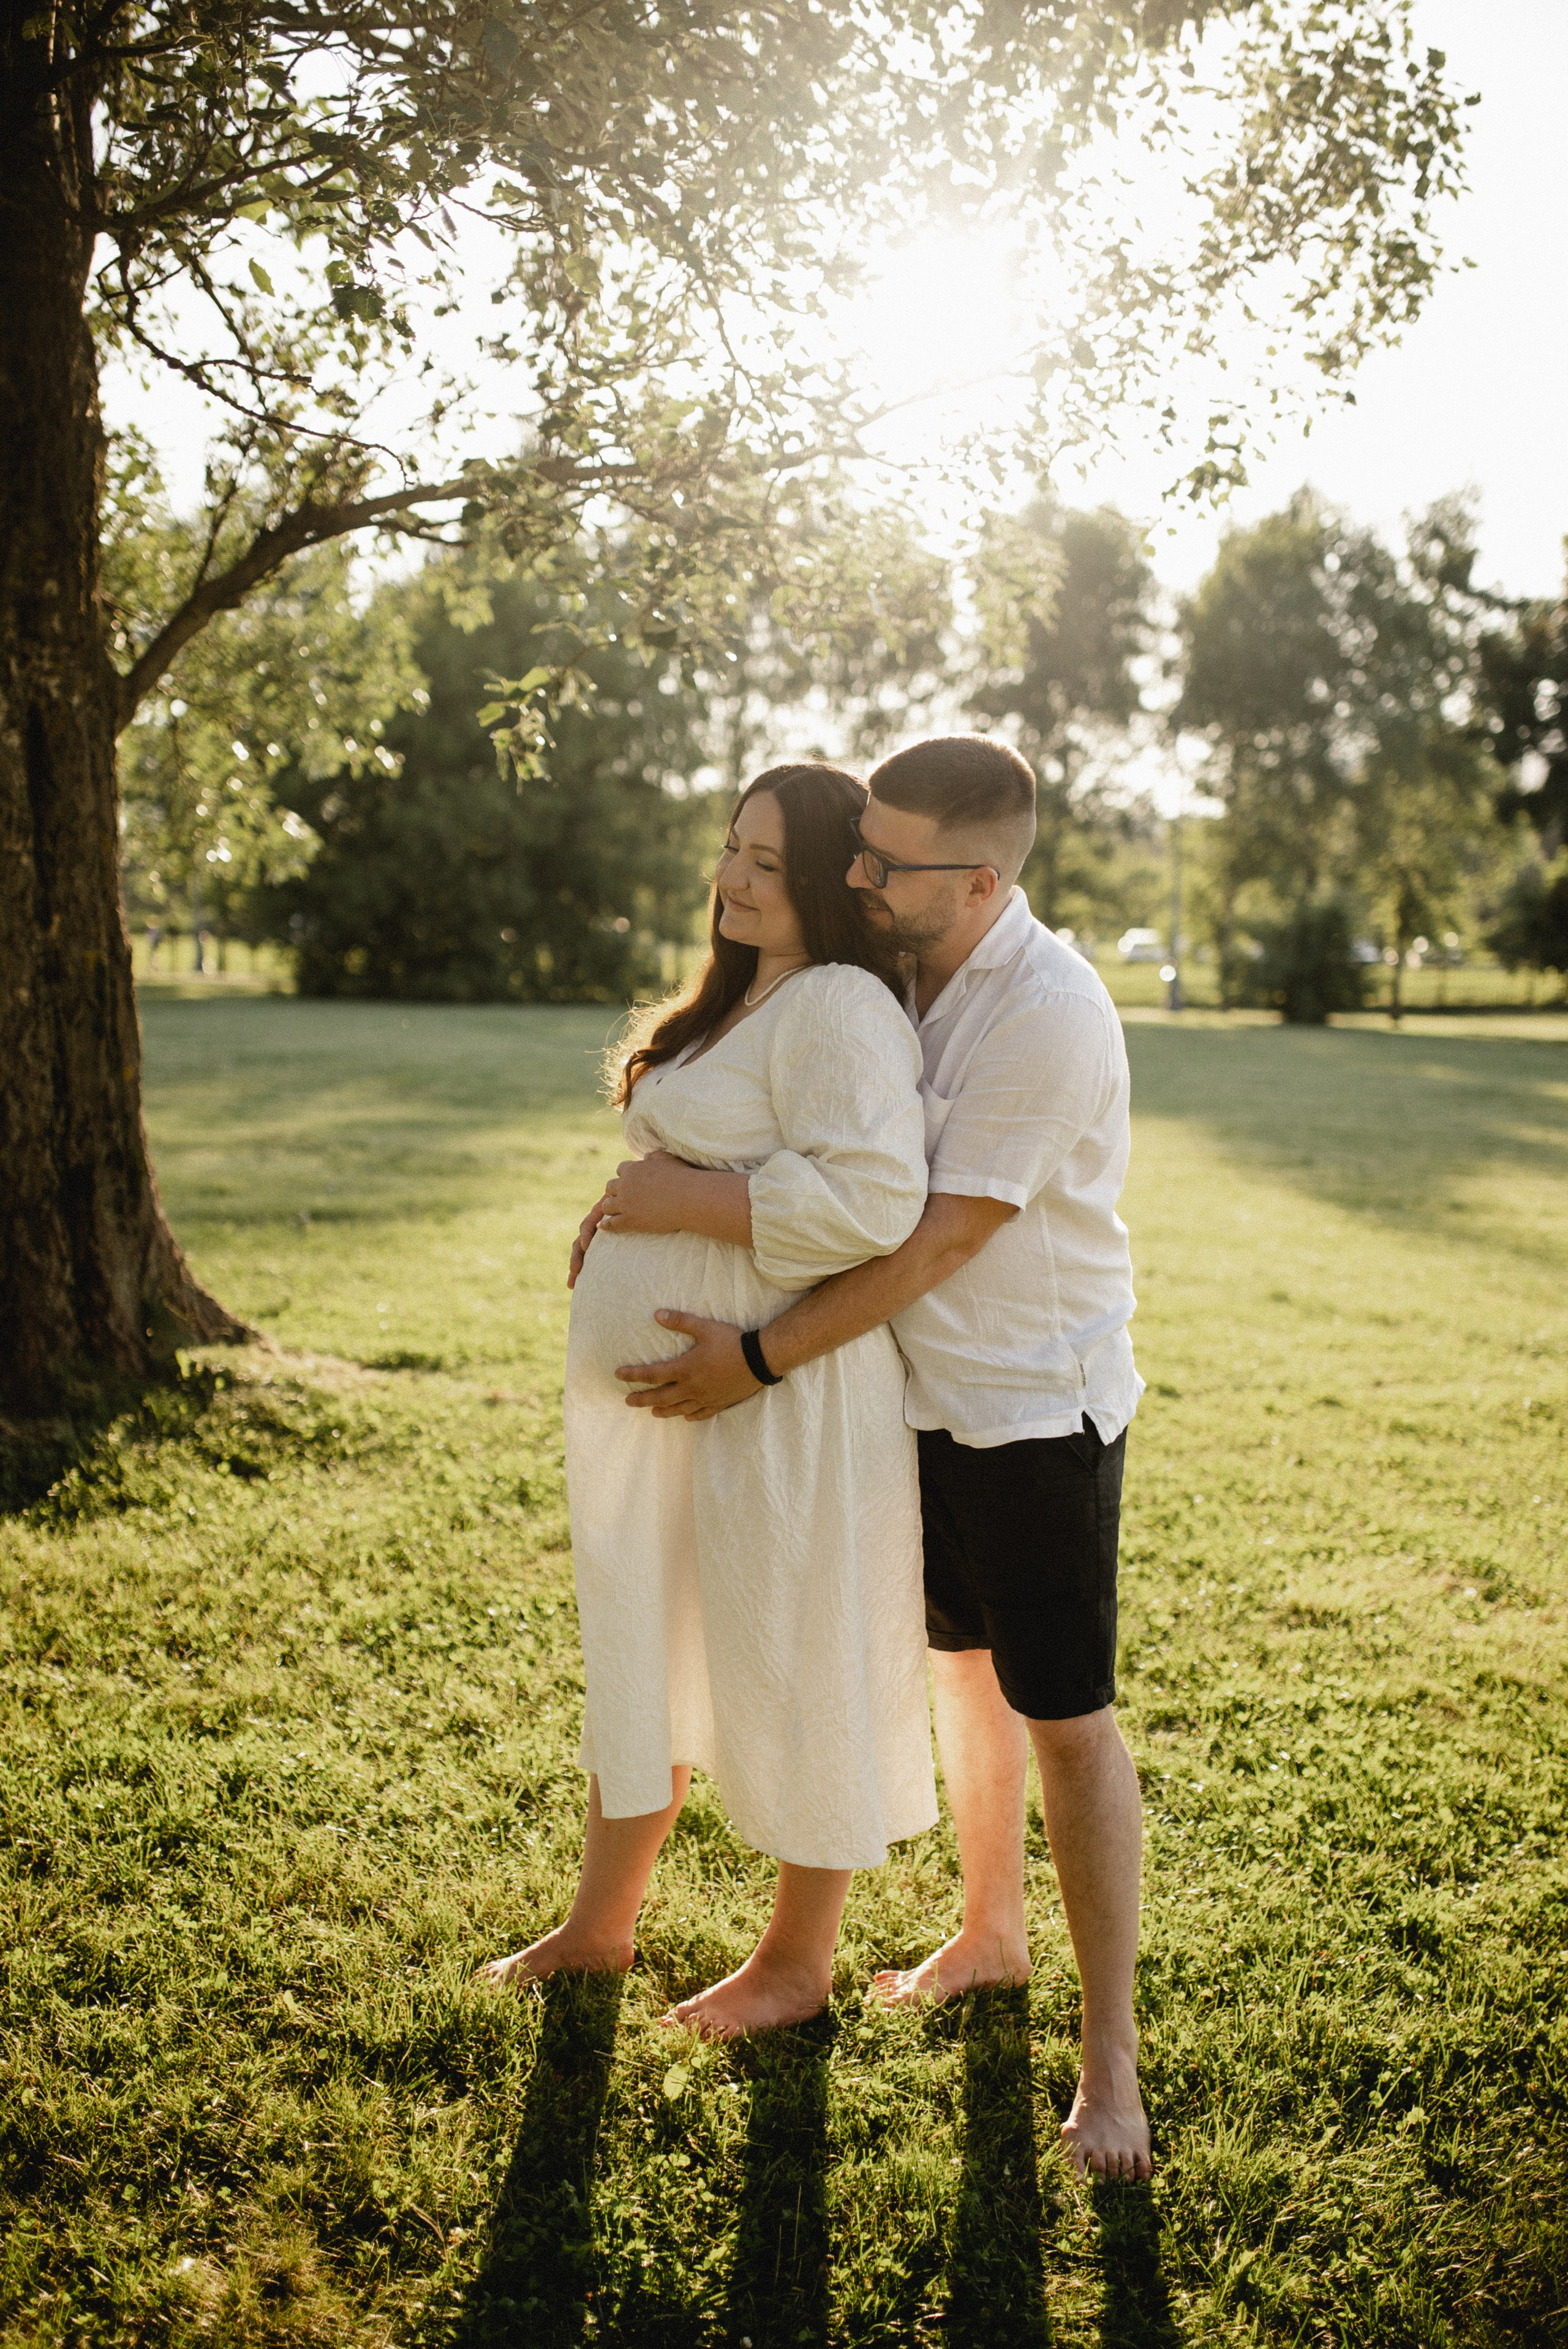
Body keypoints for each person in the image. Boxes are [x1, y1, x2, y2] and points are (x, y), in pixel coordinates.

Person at [606, 736, 1153, 2181]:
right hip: (913, 1401)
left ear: (977, 881)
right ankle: (988, 1930)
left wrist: (760, 1359)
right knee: (959, 1674)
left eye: (883, 863)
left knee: (1064, 1717)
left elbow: (931, 1243)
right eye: (853, 852)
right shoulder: (905, 969)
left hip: (1031, 1408)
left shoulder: (1046, 1014)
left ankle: (1109, 2067)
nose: (856, 876)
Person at [476, 763, 938, 2037]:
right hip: (664, 1412)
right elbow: (693, 1146)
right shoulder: (749, 998)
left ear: (837, 885)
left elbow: (871, 1202)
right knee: (647, 1640)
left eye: (768, 864)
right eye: (731, 850)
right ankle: (597, 1928)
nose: (734, 879)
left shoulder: (839, 1005)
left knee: (789, 1650)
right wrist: (624, 1205)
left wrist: (680, 1207)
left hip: (778, 1393)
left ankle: (794, 1966)